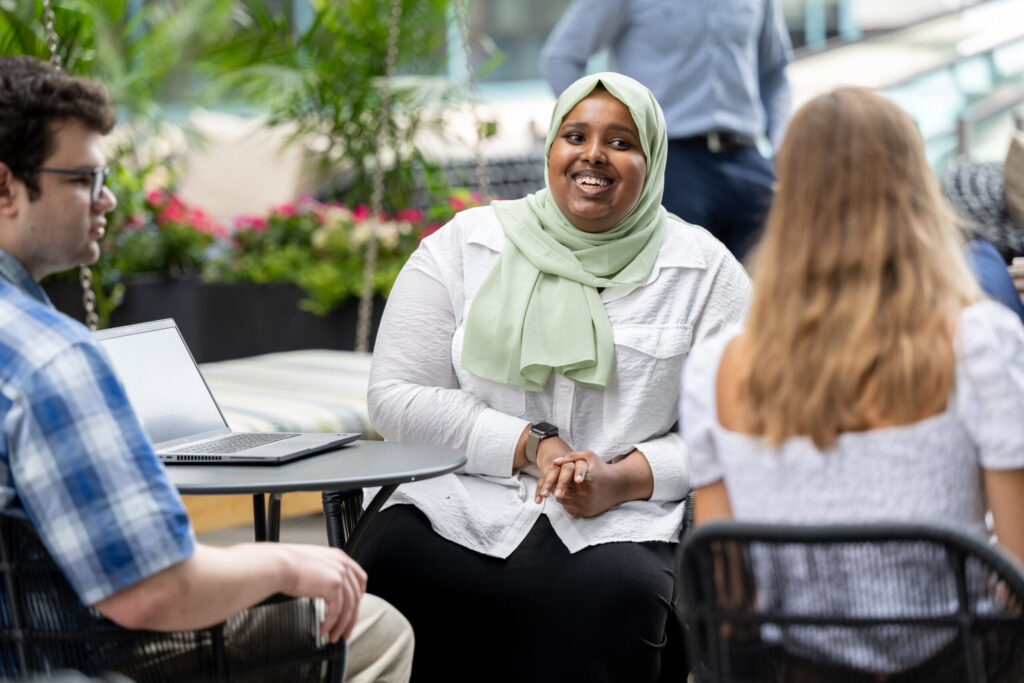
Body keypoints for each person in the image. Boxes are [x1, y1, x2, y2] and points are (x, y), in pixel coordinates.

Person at [0, 56, 412, 682]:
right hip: (64, 656)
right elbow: (152, 590)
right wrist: (288, 563)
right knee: (374, 627)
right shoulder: (49, 358)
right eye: (83, 178)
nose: (105, 198)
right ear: (6, 188)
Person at [360, 72, 751, 682]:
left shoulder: (705, 273)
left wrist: (624, 478)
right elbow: (394, 398)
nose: (593, 154)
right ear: (551, 149)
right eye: (576, 135)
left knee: (617, 592)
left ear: (653, 161)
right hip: (458, 500)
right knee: (393, 564)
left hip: (621, 524)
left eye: (621, 142)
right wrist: (530, 446)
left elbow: (737, 432)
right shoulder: (464, 246)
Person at [681, 88, 1024, 675]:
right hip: (956, 664)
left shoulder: (715, 371)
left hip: (794, 670)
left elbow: (730, 604)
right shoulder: (979, 344)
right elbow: (1017, 567)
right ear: (918, 194)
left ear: (787, 201)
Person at [541, 0, 793, 262]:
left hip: (748, 160)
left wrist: (782, 145)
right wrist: (602, 135)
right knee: (679, 281)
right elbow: (561, 58)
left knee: (772, 283)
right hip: (669, 164)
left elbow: (774, 74)